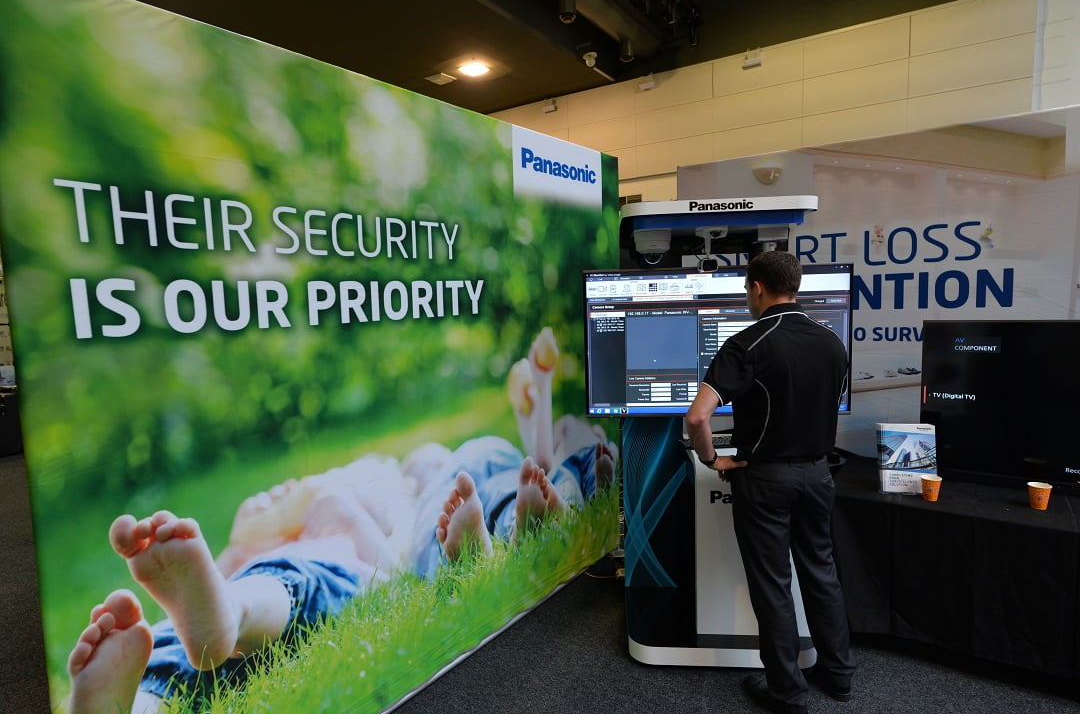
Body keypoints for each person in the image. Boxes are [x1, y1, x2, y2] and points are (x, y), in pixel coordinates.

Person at [65, 327, 616, 714]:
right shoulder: (247, 553)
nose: (273, 494)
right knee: (176, 641)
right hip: (252, 601)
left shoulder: (340, 512)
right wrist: (243, 545)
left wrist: (310, 508)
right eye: (261, 499)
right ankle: (133, 699)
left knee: (289, 578)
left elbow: (368, 541)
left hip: (312, 580)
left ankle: (221, 620)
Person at [685, 250, 856, 714]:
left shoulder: (747, 343)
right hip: (818, 473)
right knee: (821, 572)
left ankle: (786, 691)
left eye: (746, 289)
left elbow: (697, 417)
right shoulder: (832, 342)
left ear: (757, 288)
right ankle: (839, 674)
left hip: (765, 479)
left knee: (773, 584)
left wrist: (712, 459)